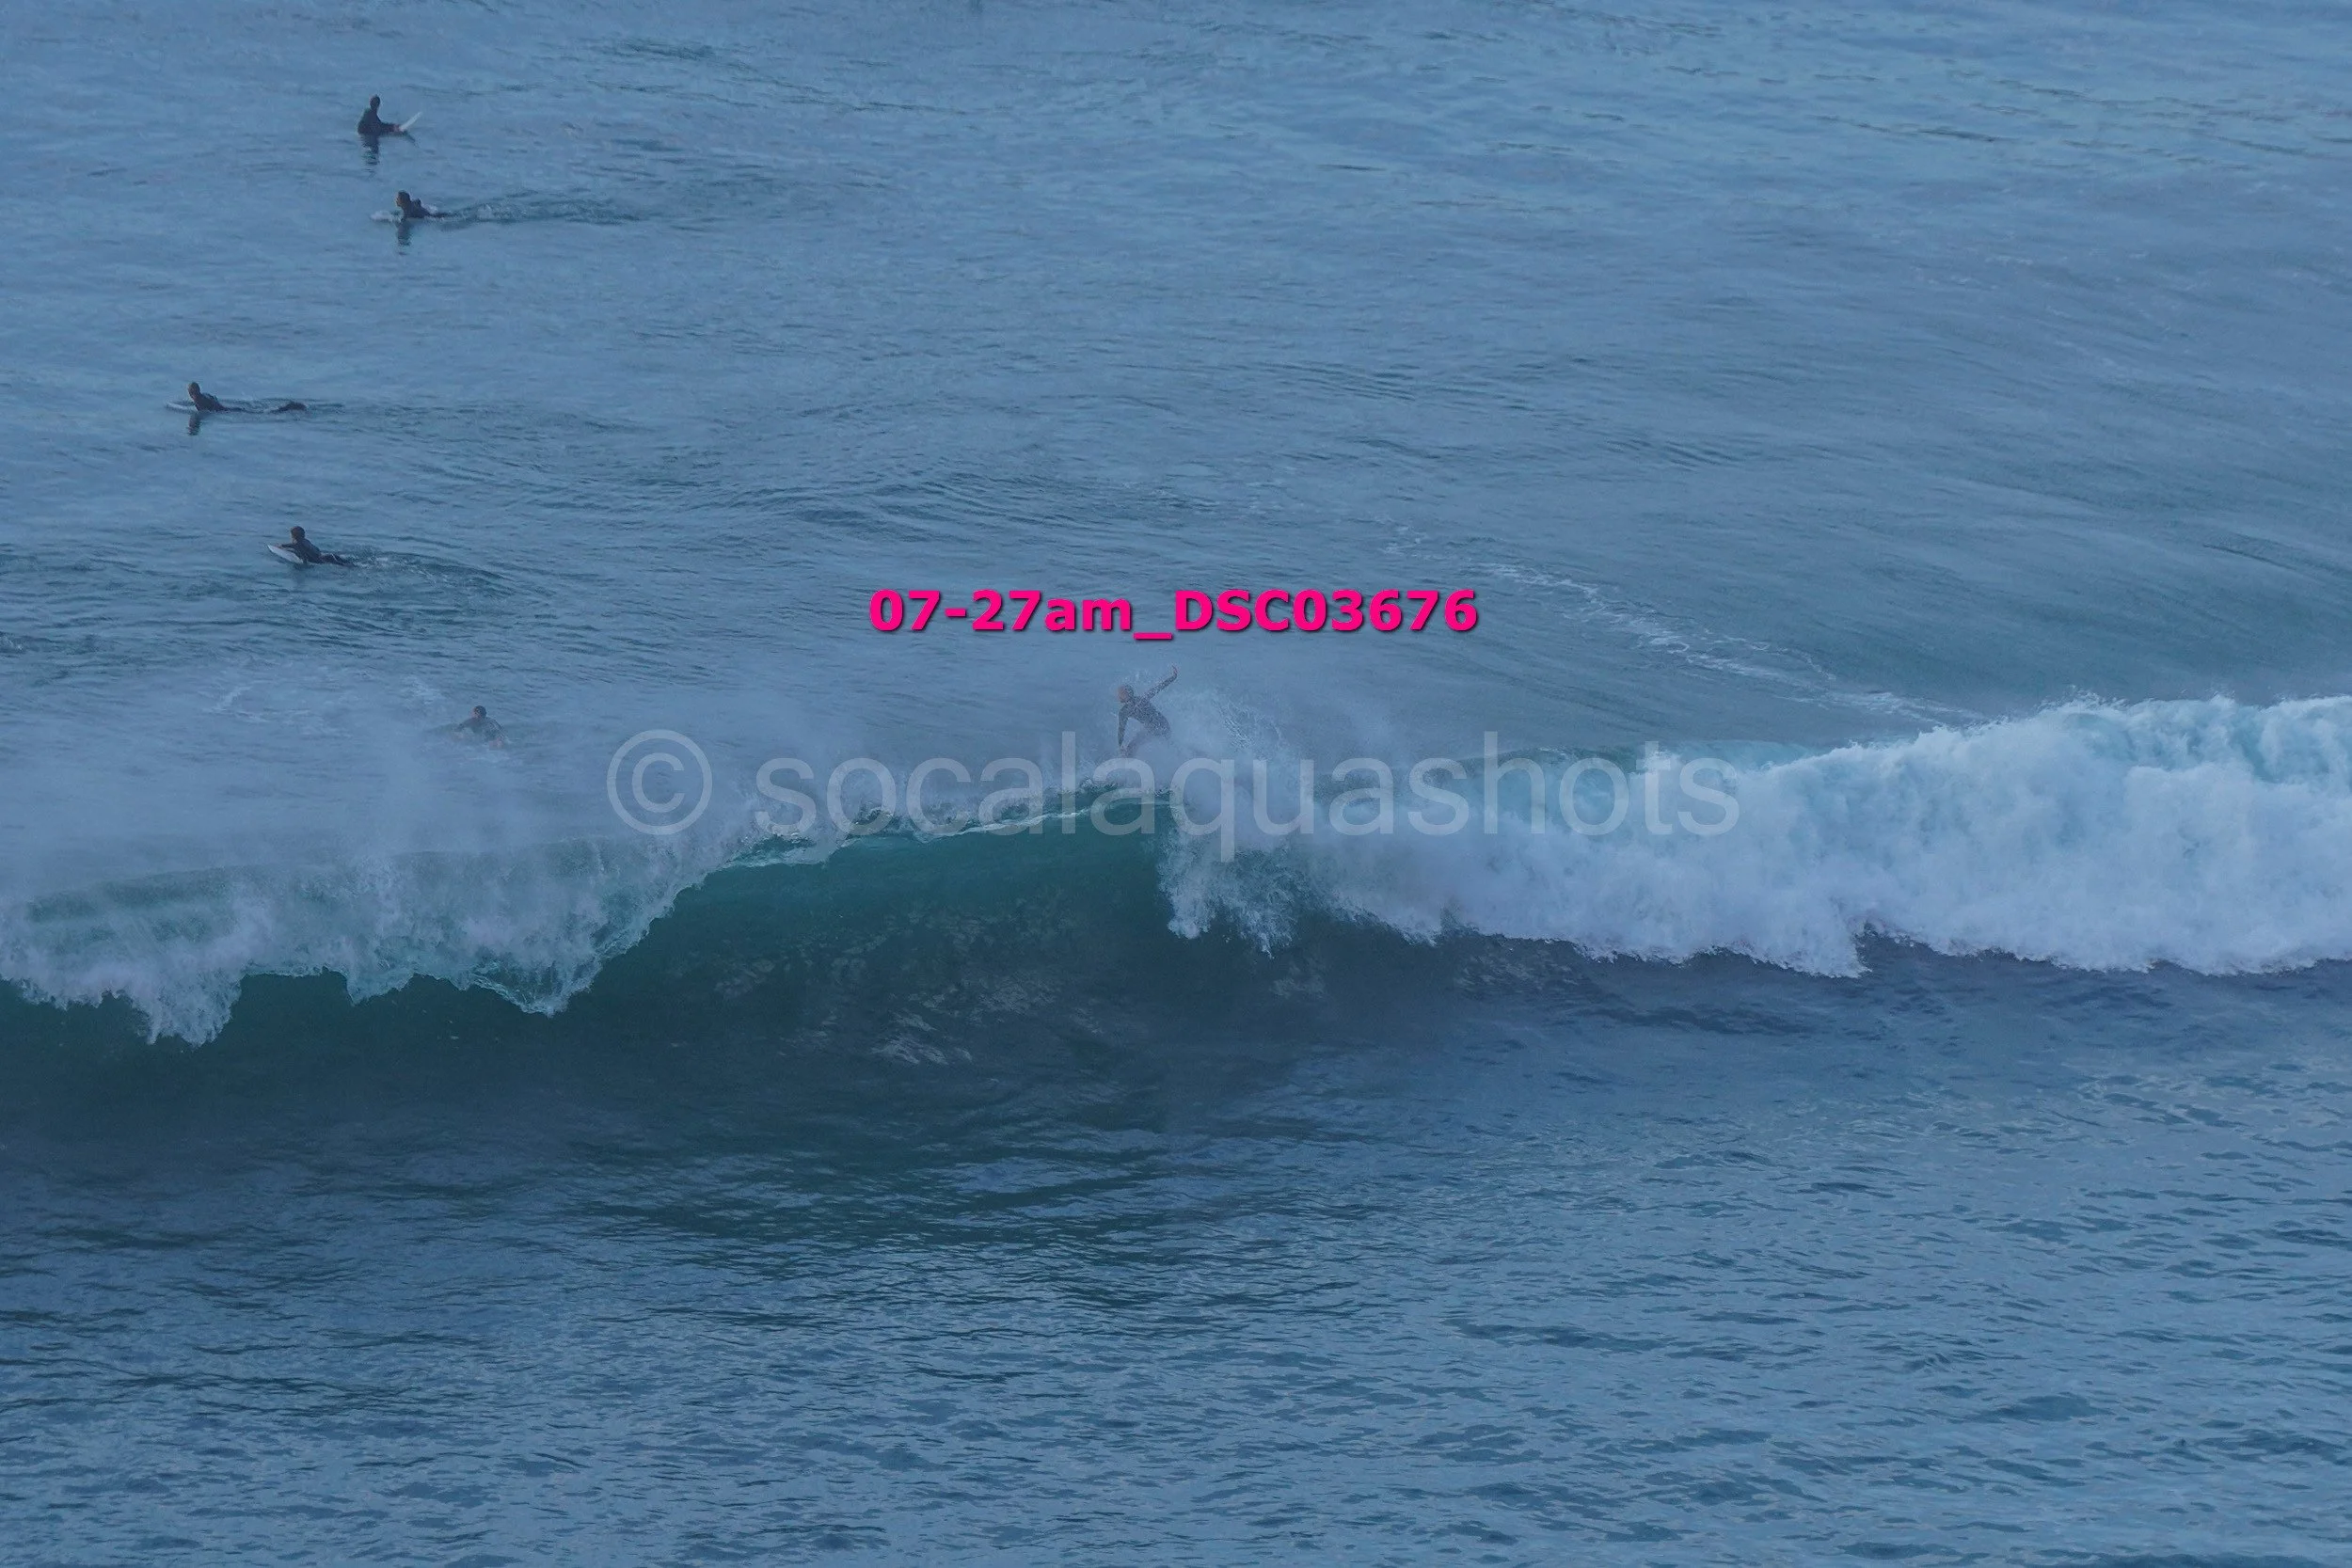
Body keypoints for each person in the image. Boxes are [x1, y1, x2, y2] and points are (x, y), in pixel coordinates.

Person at [1115, 666, 1178, 756]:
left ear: (1126, 694)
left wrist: (1120, 746)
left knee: (1131, 748)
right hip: (1163, 725)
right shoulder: (1142, 699)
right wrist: (1173, 677)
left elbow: (1121, 730)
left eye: (1120, 693)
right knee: (1168, 744)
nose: (1118, 695)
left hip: (1156, 727)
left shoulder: (1124, 711)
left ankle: (1127, 762)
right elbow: (1159, 687)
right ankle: (1184, 753)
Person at [282, 526, 352, 566]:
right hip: (328, 556)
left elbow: (304, 557)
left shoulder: (297, 544)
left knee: (344, 566)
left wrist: (305, 565)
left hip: (322, 561)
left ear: (293, 536)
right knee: (349, 565)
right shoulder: (306, 541)